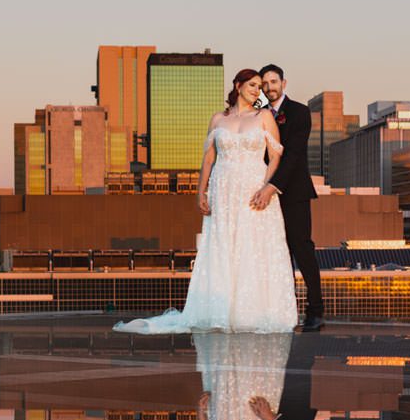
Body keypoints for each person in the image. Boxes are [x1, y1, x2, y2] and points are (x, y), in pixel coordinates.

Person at [113, 69, 297, 334]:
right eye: (253, 85)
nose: (258, 90)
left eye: (260, 86)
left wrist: (266, 187)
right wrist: (201, 191)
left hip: (252, 189)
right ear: (238, 85)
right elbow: (209, 159)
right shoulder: (217, 119)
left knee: (253, 245)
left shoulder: (264, 116)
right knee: (222, 245)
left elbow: (275, 156)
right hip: (223, 191)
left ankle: (252, 312)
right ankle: (218, 312)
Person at [251, 64, 325, 331]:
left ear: (284, 83)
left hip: (291, 191)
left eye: (274, 82)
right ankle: (282, 310)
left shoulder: (300, 112)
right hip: (261, 192)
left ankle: (315, 311)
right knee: (273, 252)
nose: (270, 87)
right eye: (265, 84)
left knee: (301, 249)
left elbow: (293, 155)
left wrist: (272, 187)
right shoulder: (257, 113)